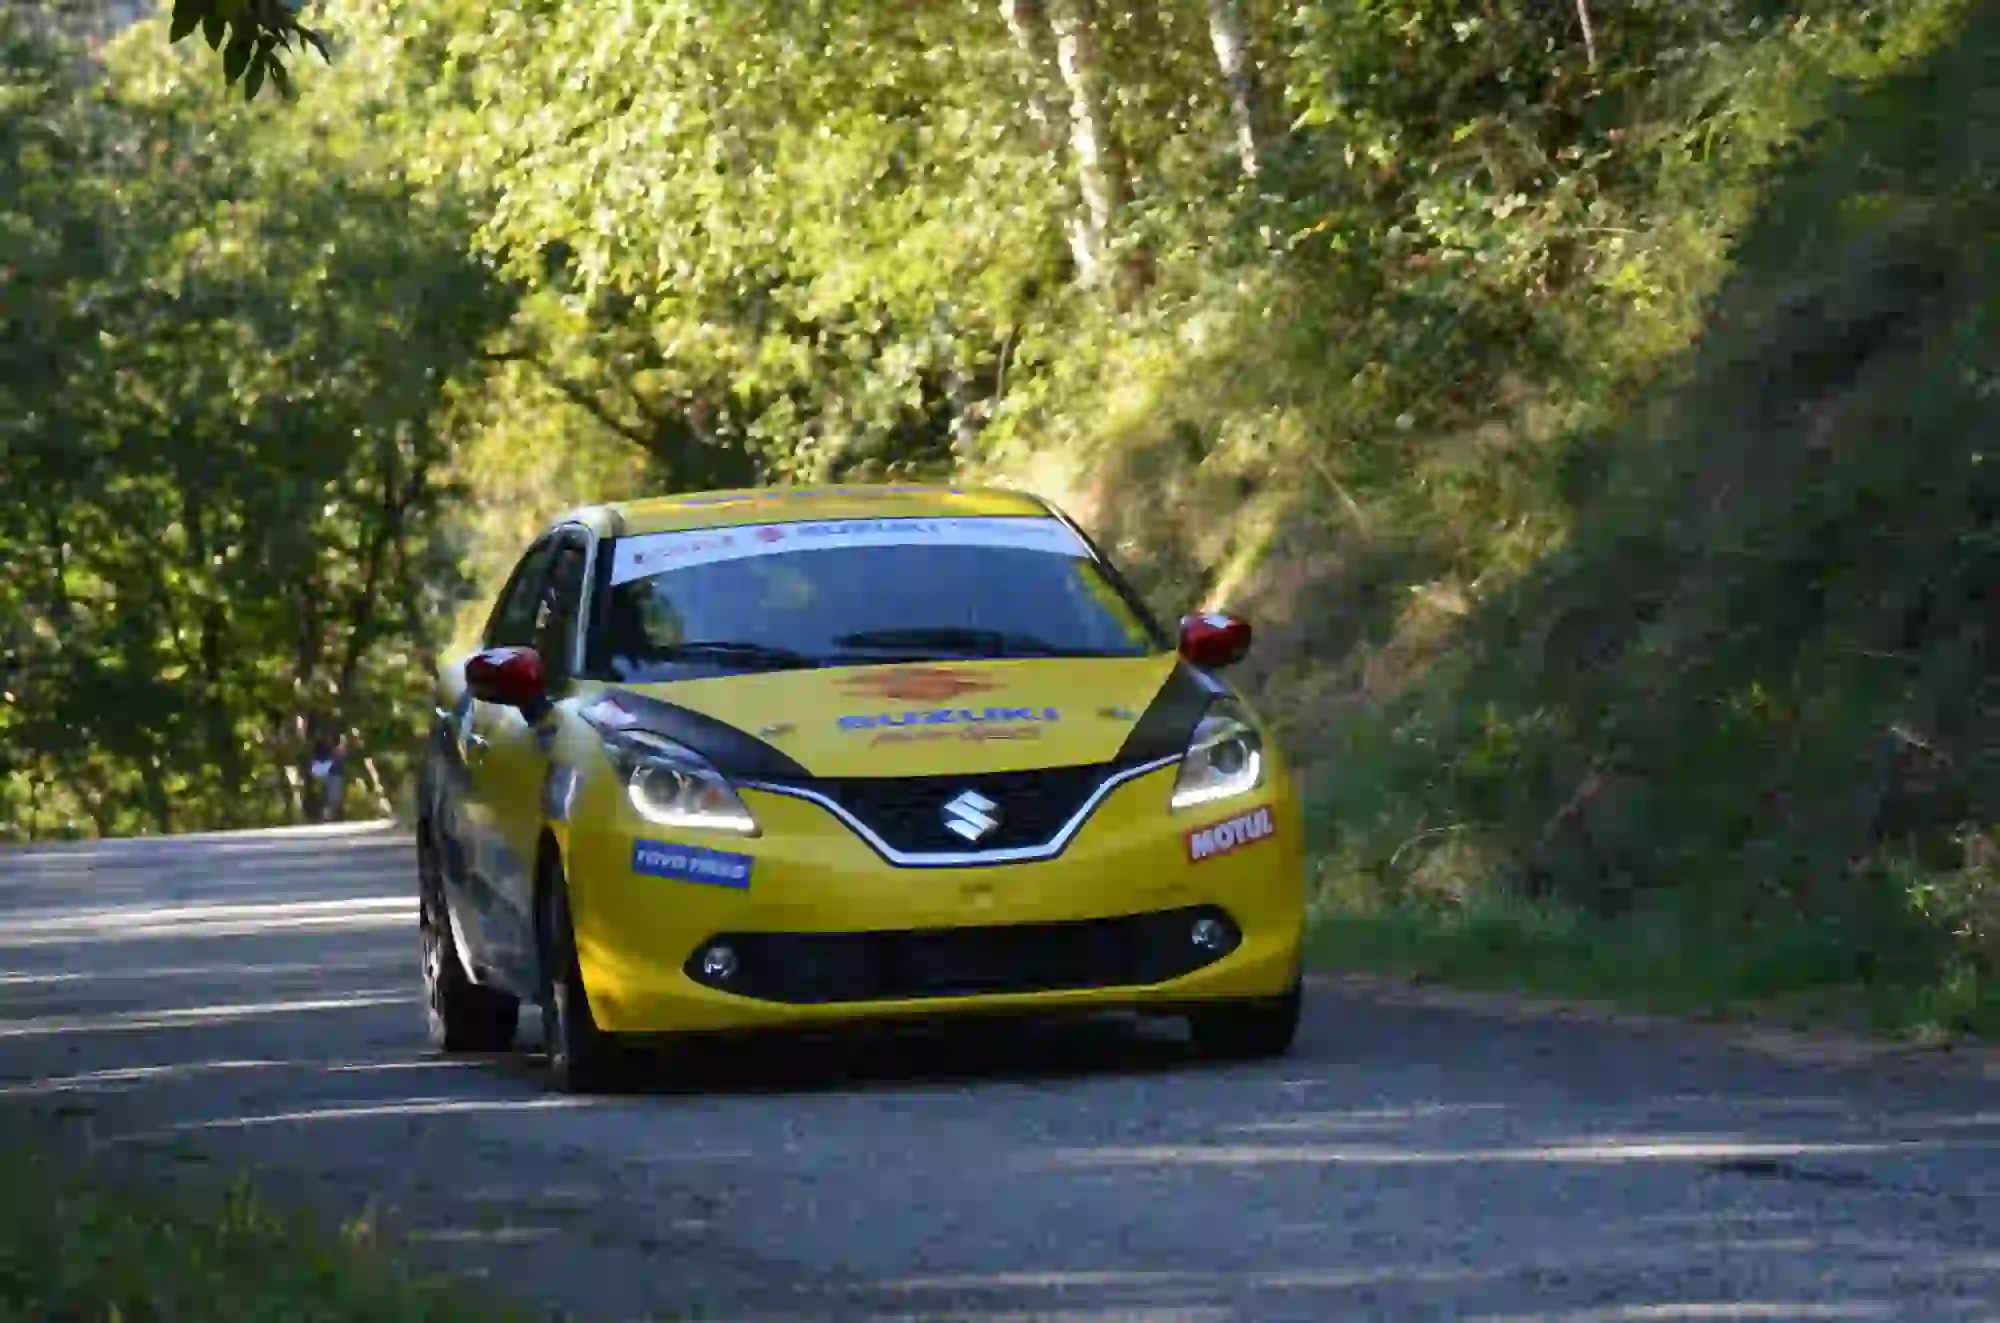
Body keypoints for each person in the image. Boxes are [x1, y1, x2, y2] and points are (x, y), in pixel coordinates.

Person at [308, 730, 348, 823]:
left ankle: (327, 812)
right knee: (322, 791)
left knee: (331, 791)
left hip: (325, 765)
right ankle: (324, 812)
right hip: (320, 764)